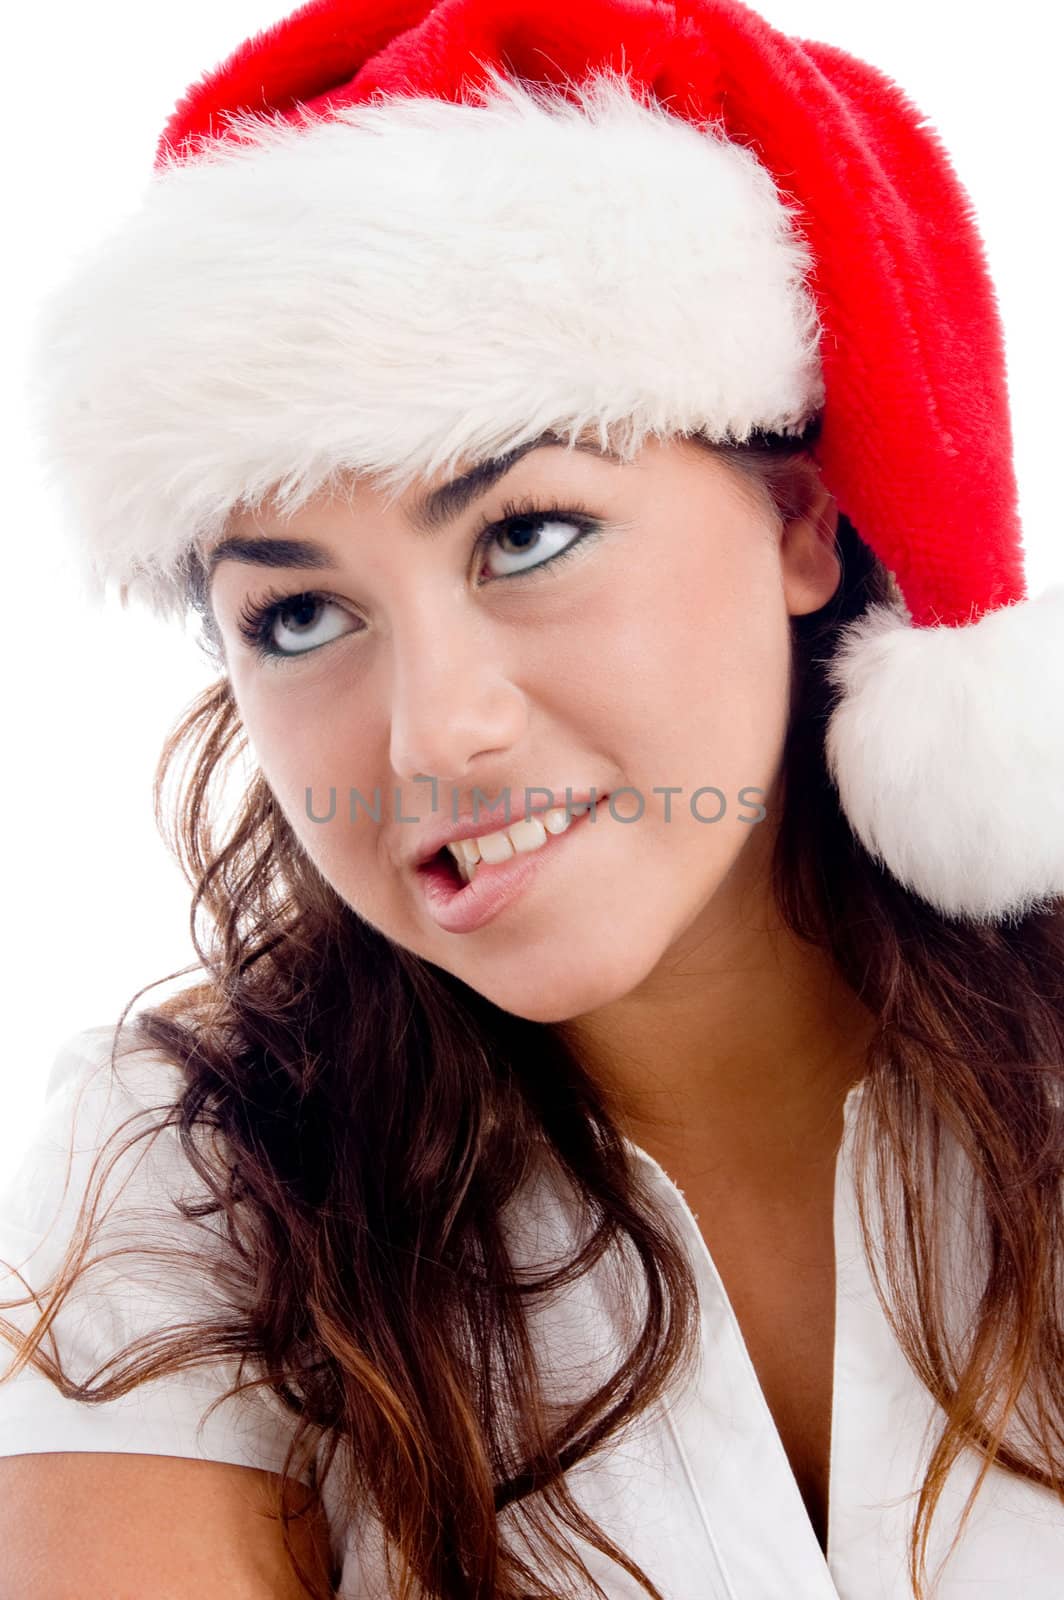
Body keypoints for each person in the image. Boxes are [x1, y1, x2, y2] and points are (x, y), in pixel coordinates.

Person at [1, 1, 1062, 1597]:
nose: (436, 733)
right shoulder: (198, 1175)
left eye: (529, 535)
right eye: (298, 617)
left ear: (803, 519)